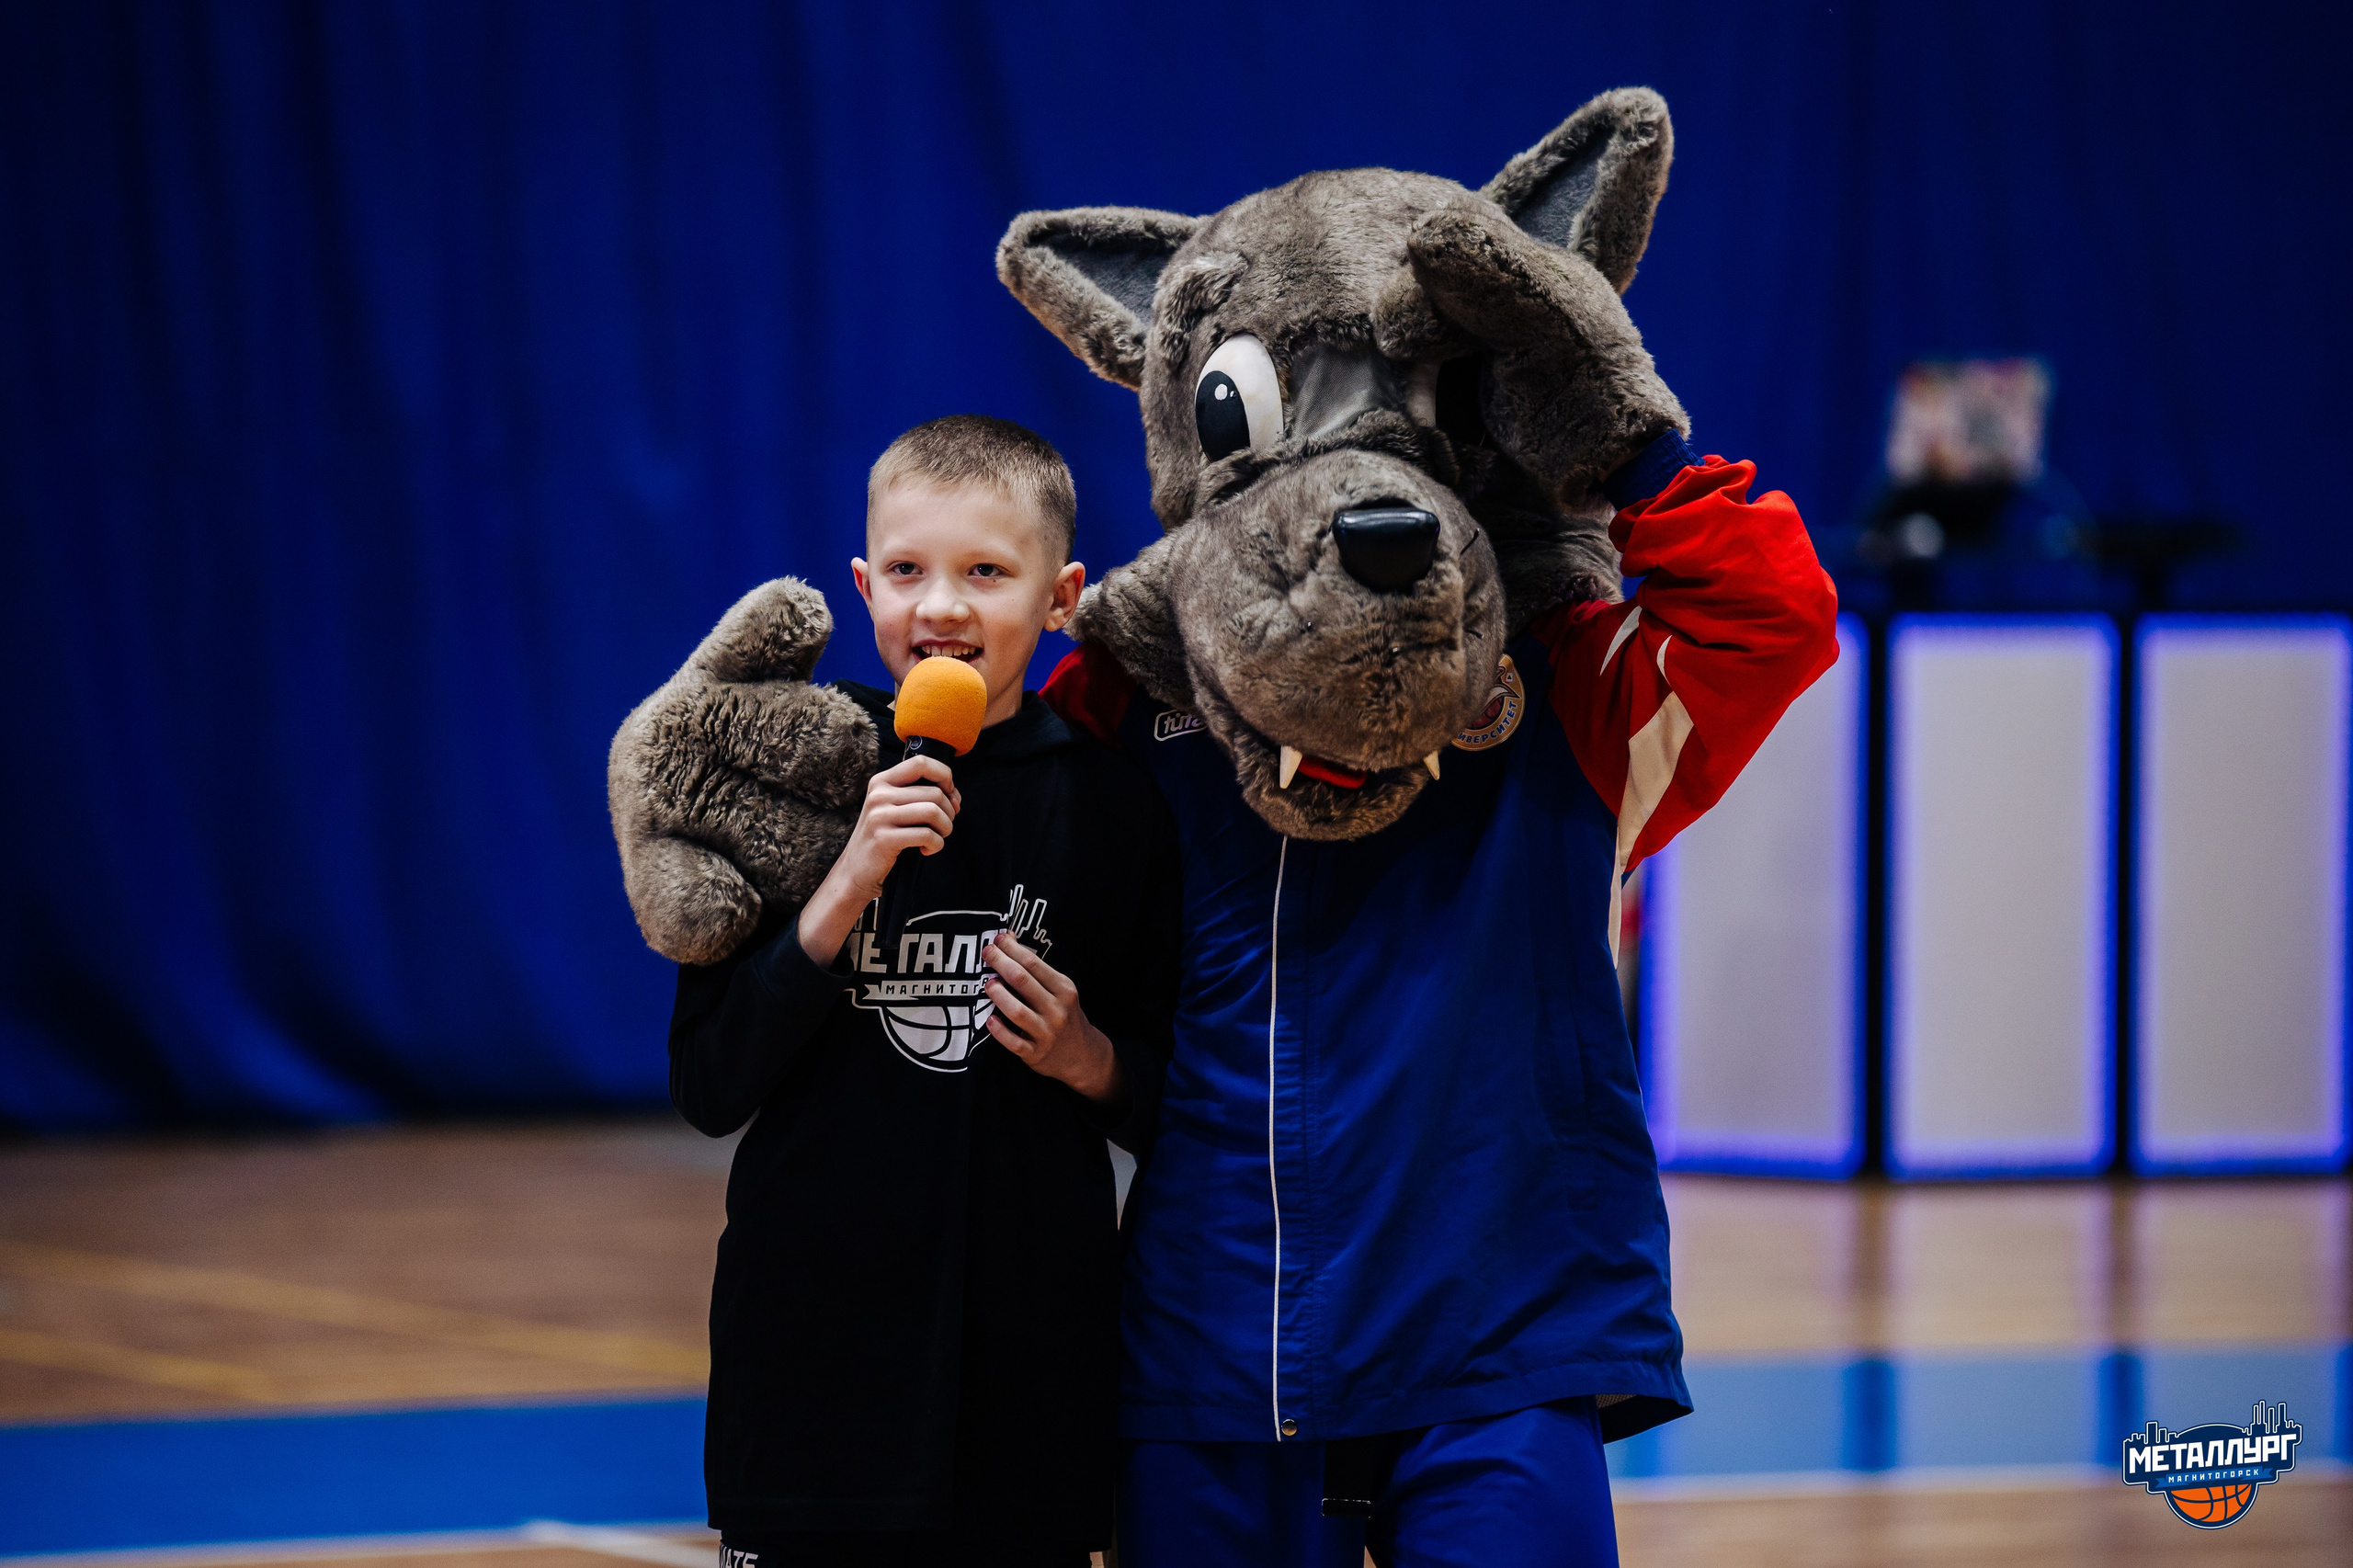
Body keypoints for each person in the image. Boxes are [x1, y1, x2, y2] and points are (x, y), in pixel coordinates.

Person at [668, 415, 1179, 1568]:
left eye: (986, 572)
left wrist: (1091, 1058)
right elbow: (707, 1083)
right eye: (907, 570)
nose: (941, 606)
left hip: (1025, 1405)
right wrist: (844, 885)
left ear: (1062, 598)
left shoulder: (1114, 807)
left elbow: (1174, 1100)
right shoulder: (787, 777)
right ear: (864, 587)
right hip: (809, 1399)